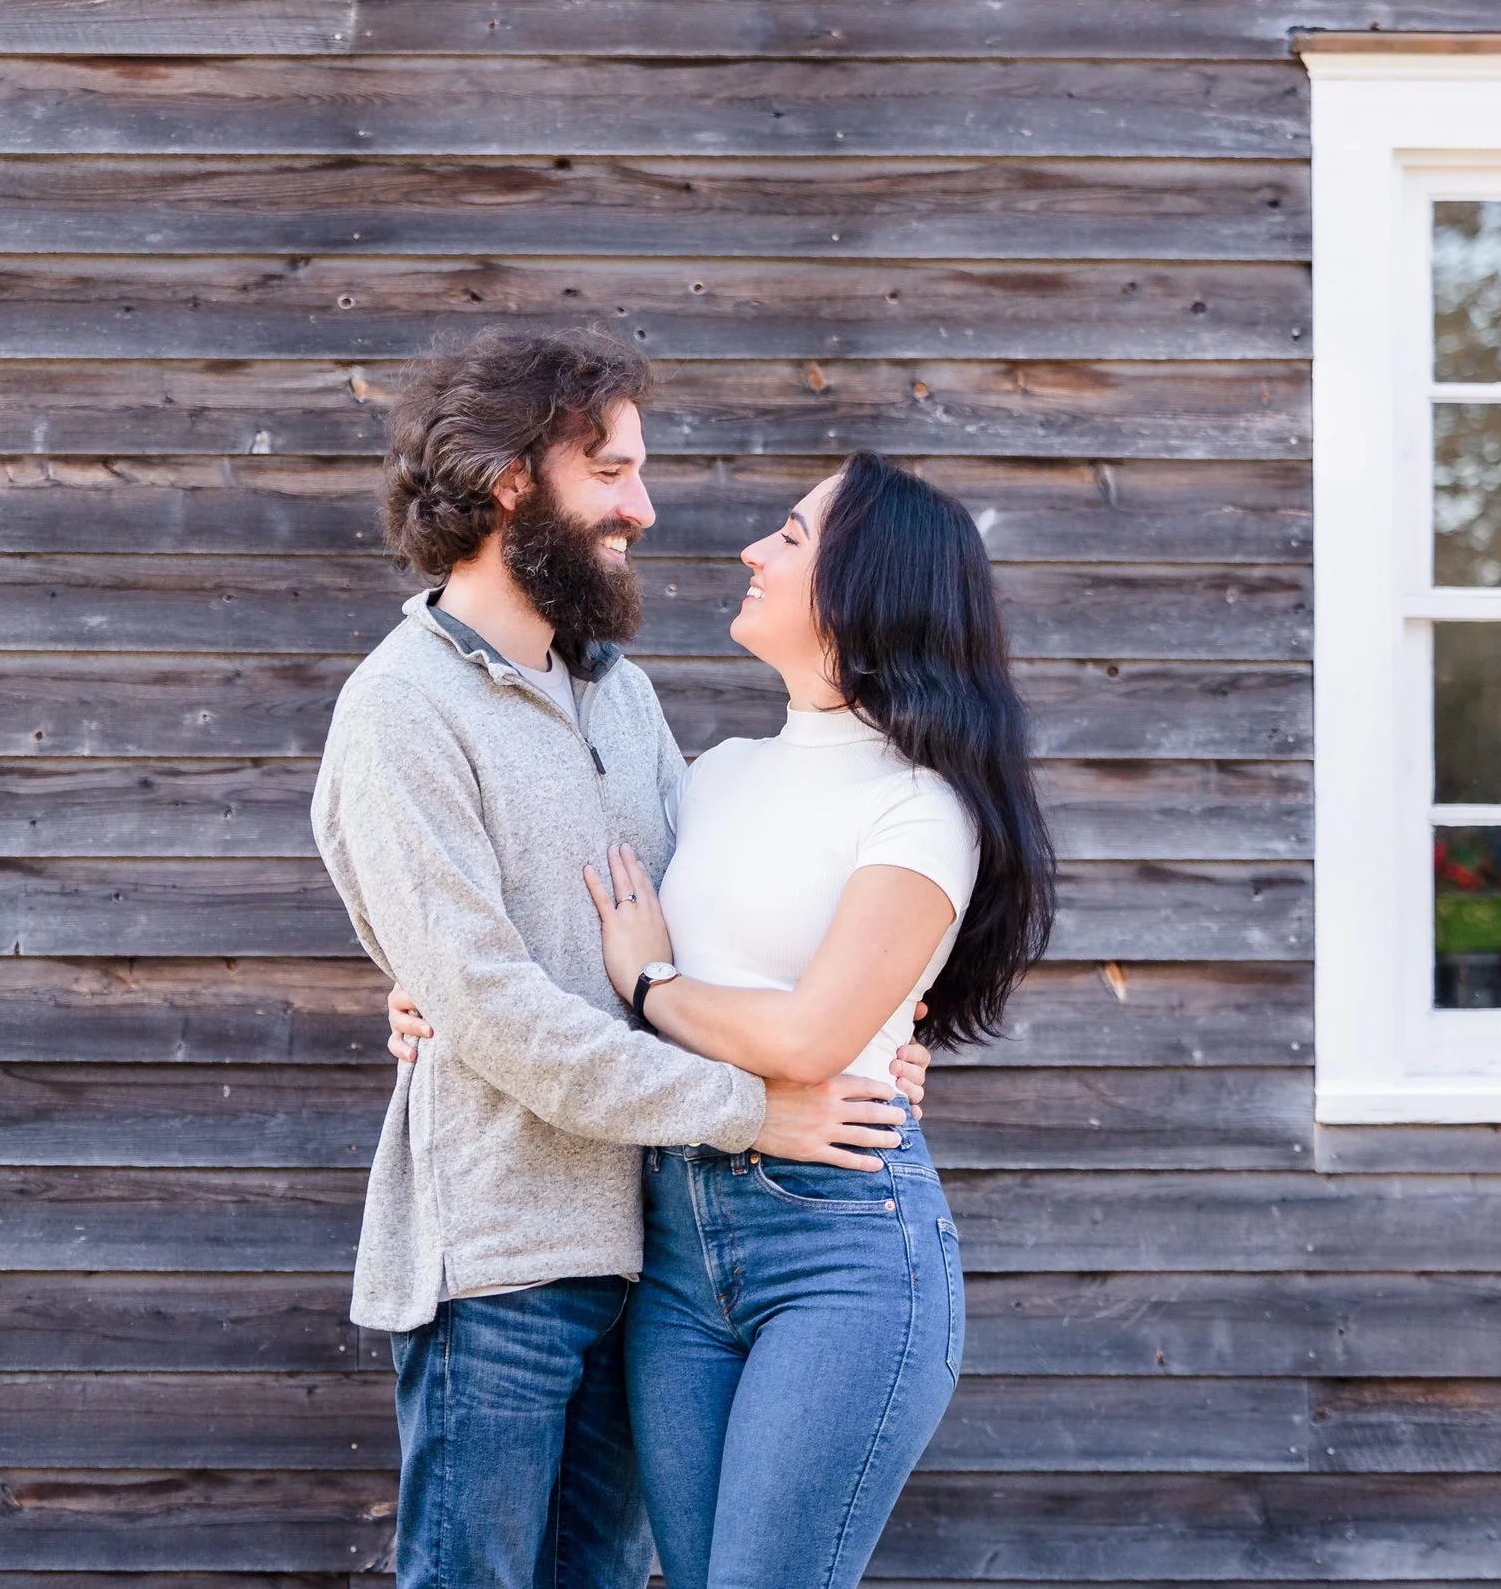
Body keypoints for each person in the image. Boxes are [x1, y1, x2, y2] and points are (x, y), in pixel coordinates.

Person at [310, 329, 934, 1589]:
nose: (642, 507)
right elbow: (490, 1007)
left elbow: (697, 928)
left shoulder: (619, 693)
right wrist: (756, 1108)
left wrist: (857, 1029)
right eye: (612, 472)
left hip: (656, 1252)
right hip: (502, 1258)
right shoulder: (398, 710)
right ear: (508, 482)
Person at [392, 450, 1057, 1587]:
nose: (752, 548)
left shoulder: (918, 807)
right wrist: (434, 989)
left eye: (790, 537)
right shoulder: (711, 773)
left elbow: (801, 1040)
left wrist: (656, 988)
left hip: (838, 1239)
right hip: (674, 1244)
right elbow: (571, 928)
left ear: (867, 585)